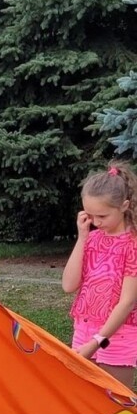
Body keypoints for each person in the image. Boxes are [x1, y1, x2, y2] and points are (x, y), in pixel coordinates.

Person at [62, 163, 137, 390]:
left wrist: (97, 341)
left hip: (118, 336)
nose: (96, 222)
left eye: (102, 215)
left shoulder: (133, 244)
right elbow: (68, 285)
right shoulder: (93, 238)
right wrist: (82, 238)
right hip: (84, 331)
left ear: (124, 206)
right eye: (90, 215)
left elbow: (127, 303)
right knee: (83, 401)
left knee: (116, 402)